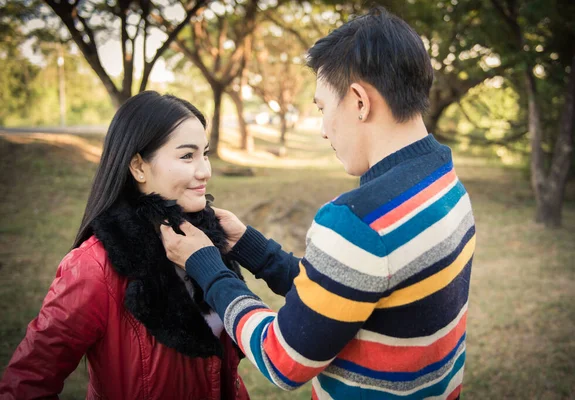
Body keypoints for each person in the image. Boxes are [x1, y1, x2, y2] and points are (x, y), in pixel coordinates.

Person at [161, 6, 476, 400]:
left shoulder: (358, 222)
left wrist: (206, 266)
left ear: (359, 101)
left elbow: (283, 359)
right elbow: (344, 293)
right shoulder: (443, 180)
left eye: (323, 109)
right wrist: (249, 247)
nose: (324, 130)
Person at [0, 91, 250, 400]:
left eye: (205, 153)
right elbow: (26, 383)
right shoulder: (94, 267)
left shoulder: (210, 242)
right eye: (187, 156)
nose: (205, 171)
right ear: (138, 166)